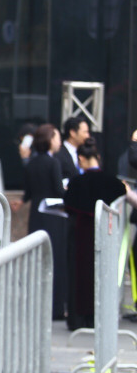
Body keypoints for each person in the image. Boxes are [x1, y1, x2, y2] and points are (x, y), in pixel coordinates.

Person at [64, 137, 126, 331]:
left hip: (81, 235)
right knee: (102, 274)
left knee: (78, 276)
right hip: (105, 234)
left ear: (81, 158)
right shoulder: (113, 183)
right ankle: (100, 316)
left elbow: (68, 205)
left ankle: (77, 319)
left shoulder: (76, 183)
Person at [17, 124, 68, 320]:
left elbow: (28, 193)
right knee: (55, 260)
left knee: (38, 259)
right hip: (53, 215)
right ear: (49, 140)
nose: (59, 141)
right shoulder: (53, 163)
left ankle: (37, 304)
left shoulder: (31, 163)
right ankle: (55, 308)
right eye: (56, 137)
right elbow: (58, 190)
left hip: (36, 215)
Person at [55, 117, 91, 184]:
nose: (88, 136)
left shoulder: (85, 153)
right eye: (85, 132)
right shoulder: (58, 153)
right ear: (73, 133)